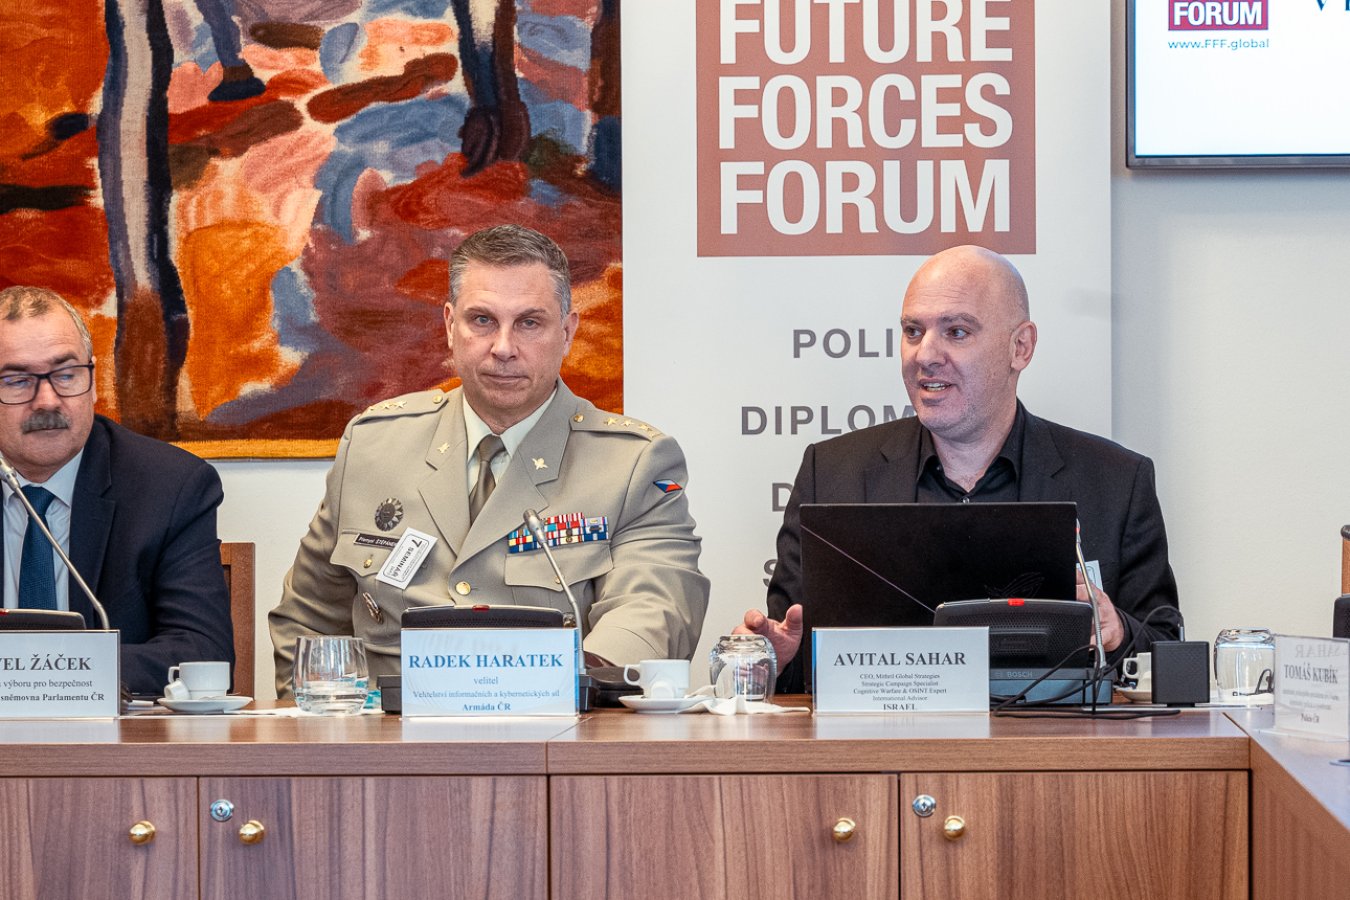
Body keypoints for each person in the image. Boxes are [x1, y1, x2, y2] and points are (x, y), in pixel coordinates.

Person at [270, 224, 709, 693]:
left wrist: (555, 685)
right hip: (389, 729)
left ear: (567, 332)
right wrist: (324, 723)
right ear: (449, 326)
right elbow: (308, 621)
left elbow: (654, 608)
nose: (503, 348)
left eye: (529, 323)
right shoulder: (373, 446)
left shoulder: (633, 464)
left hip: (554, 721)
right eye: (482, 320)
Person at [739, 246, 1181, 693]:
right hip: (882, 737)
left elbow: (1167, 651)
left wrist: (1117, 632)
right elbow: (794, 659)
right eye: (913, 331)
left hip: (1053, 737)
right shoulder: (832, 474)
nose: (925, 354)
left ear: (1020, 347)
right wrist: (775, 661)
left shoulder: (1115, 482)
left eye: (956, 331)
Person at [0, 286, 234, 695]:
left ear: (93, 382)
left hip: (116, 732)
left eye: (66, 375)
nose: (47, 401)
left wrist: (50, 672)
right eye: (18, 381)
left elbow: (203, 652)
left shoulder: (169, 487)